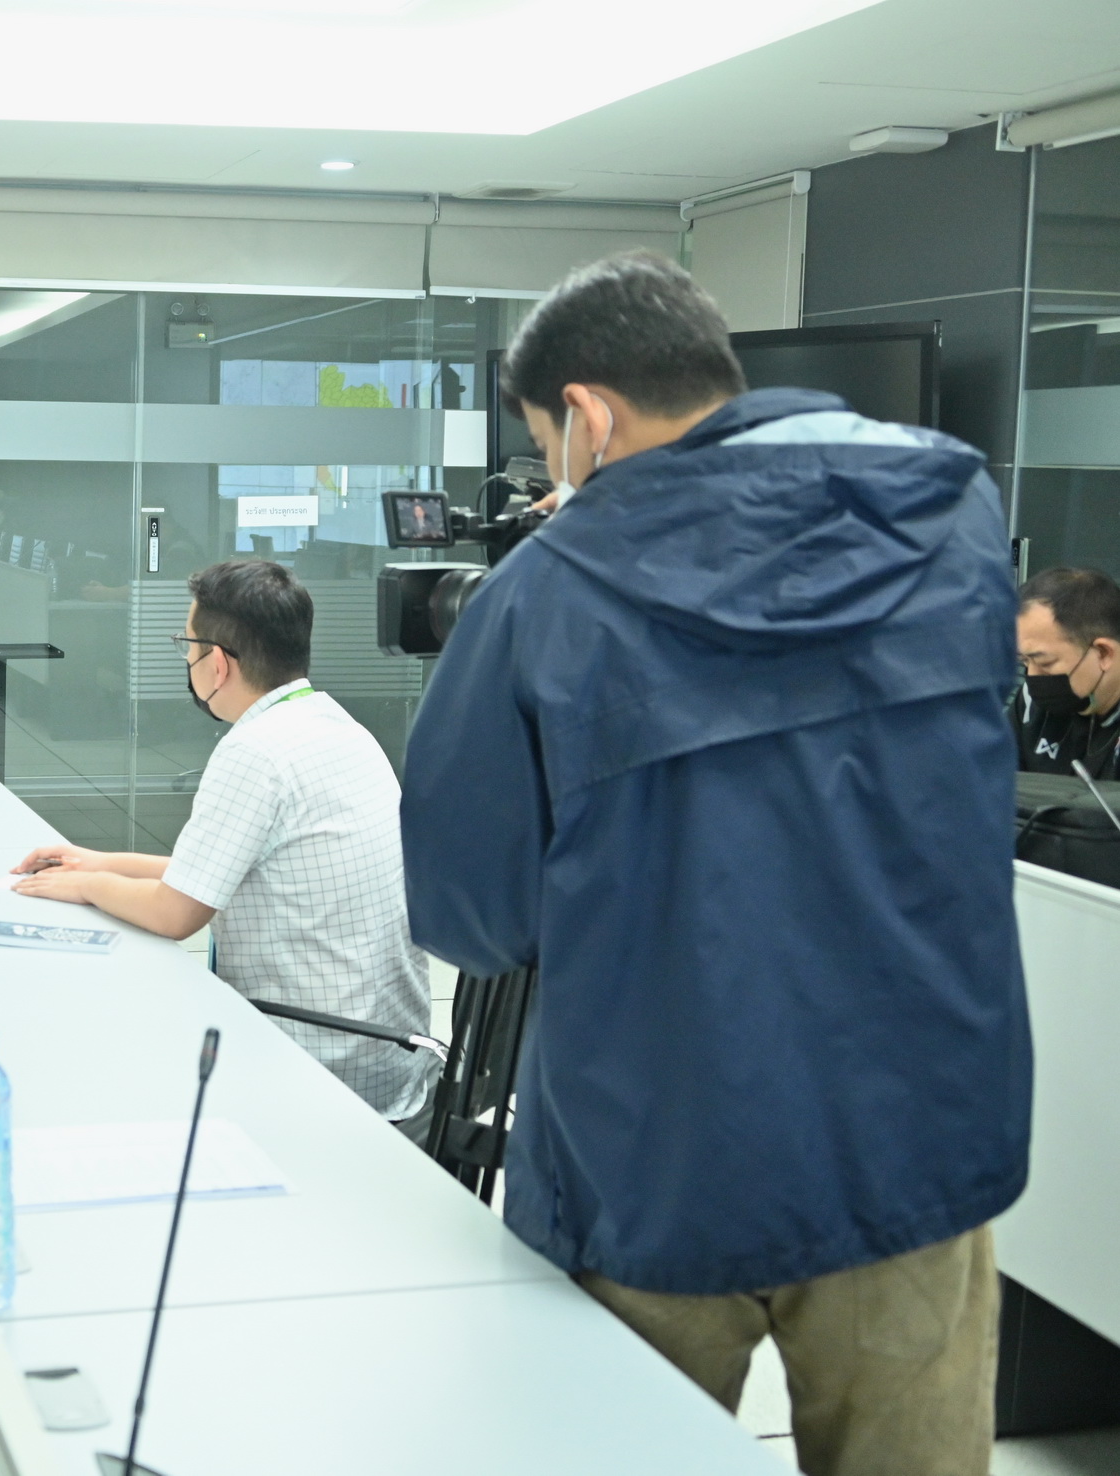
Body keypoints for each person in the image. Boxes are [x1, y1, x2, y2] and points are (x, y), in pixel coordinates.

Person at [400, 252, 1028, 1476]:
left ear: (585, 415)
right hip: (916, 1137)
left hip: (653, 1154)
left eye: (544, 443)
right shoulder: (949, 513)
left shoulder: (539, 595)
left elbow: (473, 915)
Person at [9, 558, 435, 1128]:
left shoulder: (255, 752)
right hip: (387, 1059)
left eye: (186, 646)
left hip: (316, 1065)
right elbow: (230, 867)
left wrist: (89, 886)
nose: (185, 660)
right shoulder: (337, 727)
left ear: (217, 663)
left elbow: (175, 914)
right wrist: (103, 861)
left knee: (95, 1054)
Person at [1014, 565, 1120, 779]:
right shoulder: (1031, 704)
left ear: (1103, 653)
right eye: (1024, 660)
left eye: (1045, 662)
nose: (1032, 676)